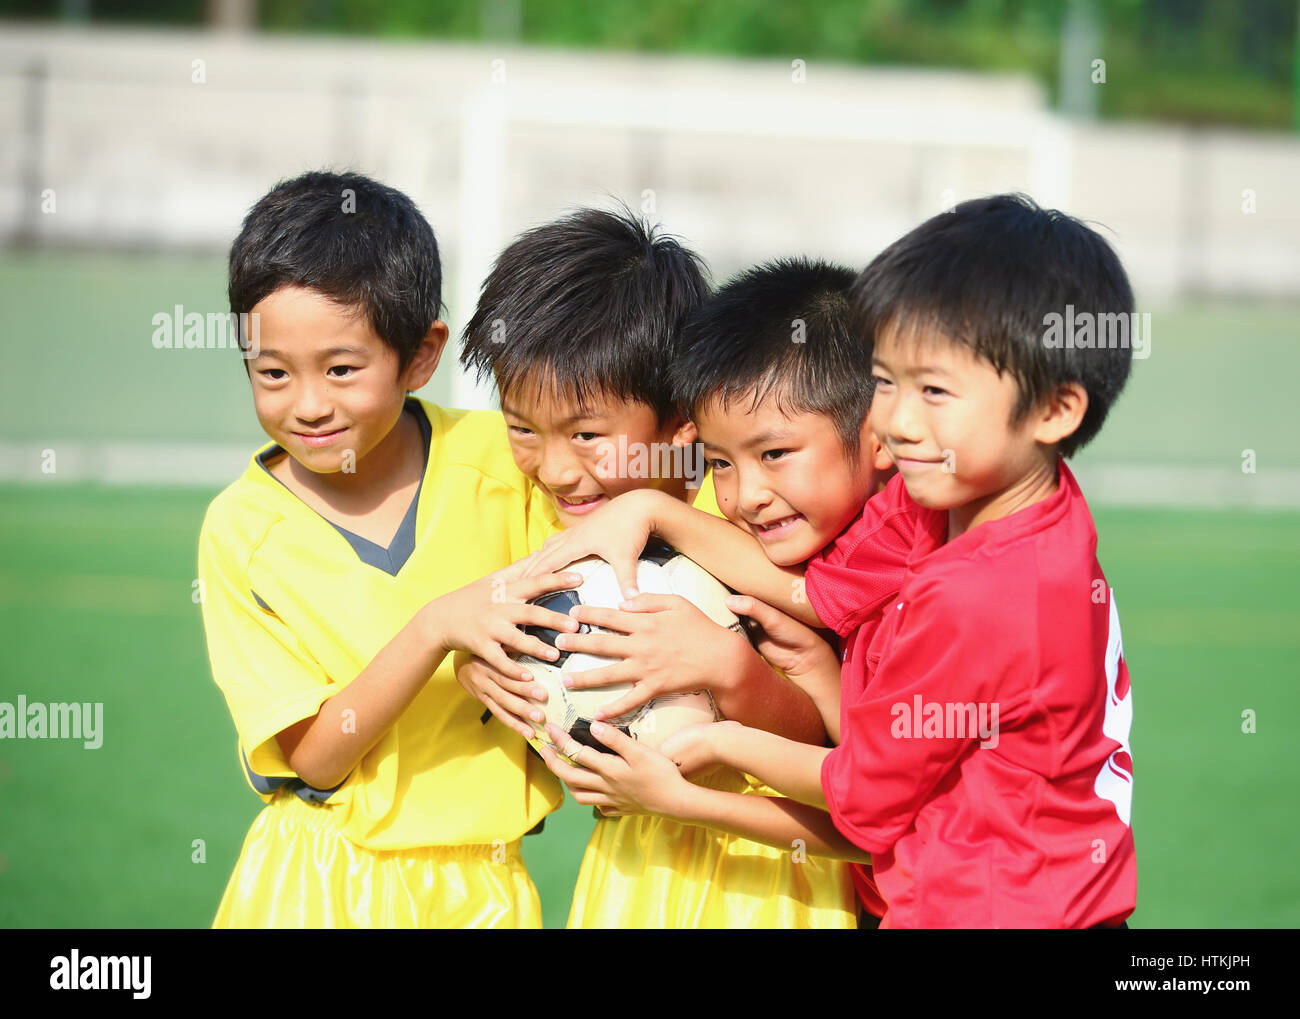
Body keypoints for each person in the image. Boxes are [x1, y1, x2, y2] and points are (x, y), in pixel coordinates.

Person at [532, 195, 1139, 929]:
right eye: (886, 383)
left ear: (1053, 410)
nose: (897, 421)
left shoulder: (985, 594)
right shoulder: (952, 504)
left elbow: (865, 797)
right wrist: (654, 510)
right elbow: (816, 593)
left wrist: (699, 759)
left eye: (935, 391)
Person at [197, 170, 580, 928]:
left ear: (420, 356)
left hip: (488, 885)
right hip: (319, 881)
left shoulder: (506, 463)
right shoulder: (241, 531)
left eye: (342, 369)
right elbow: (315, 758)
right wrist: (437, 628)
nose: (307, 404)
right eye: (272, 373)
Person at [456, 212, 860, 928]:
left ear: (682, 420)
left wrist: (729, 672)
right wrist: (477, 663)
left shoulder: (755, 514)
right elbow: (493, 630)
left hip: (773, 881)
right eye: (523, 427)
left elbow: (838, 752)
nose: (555, 468)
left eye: (586, 434)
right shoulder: (548, 515)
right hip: (630, 873)